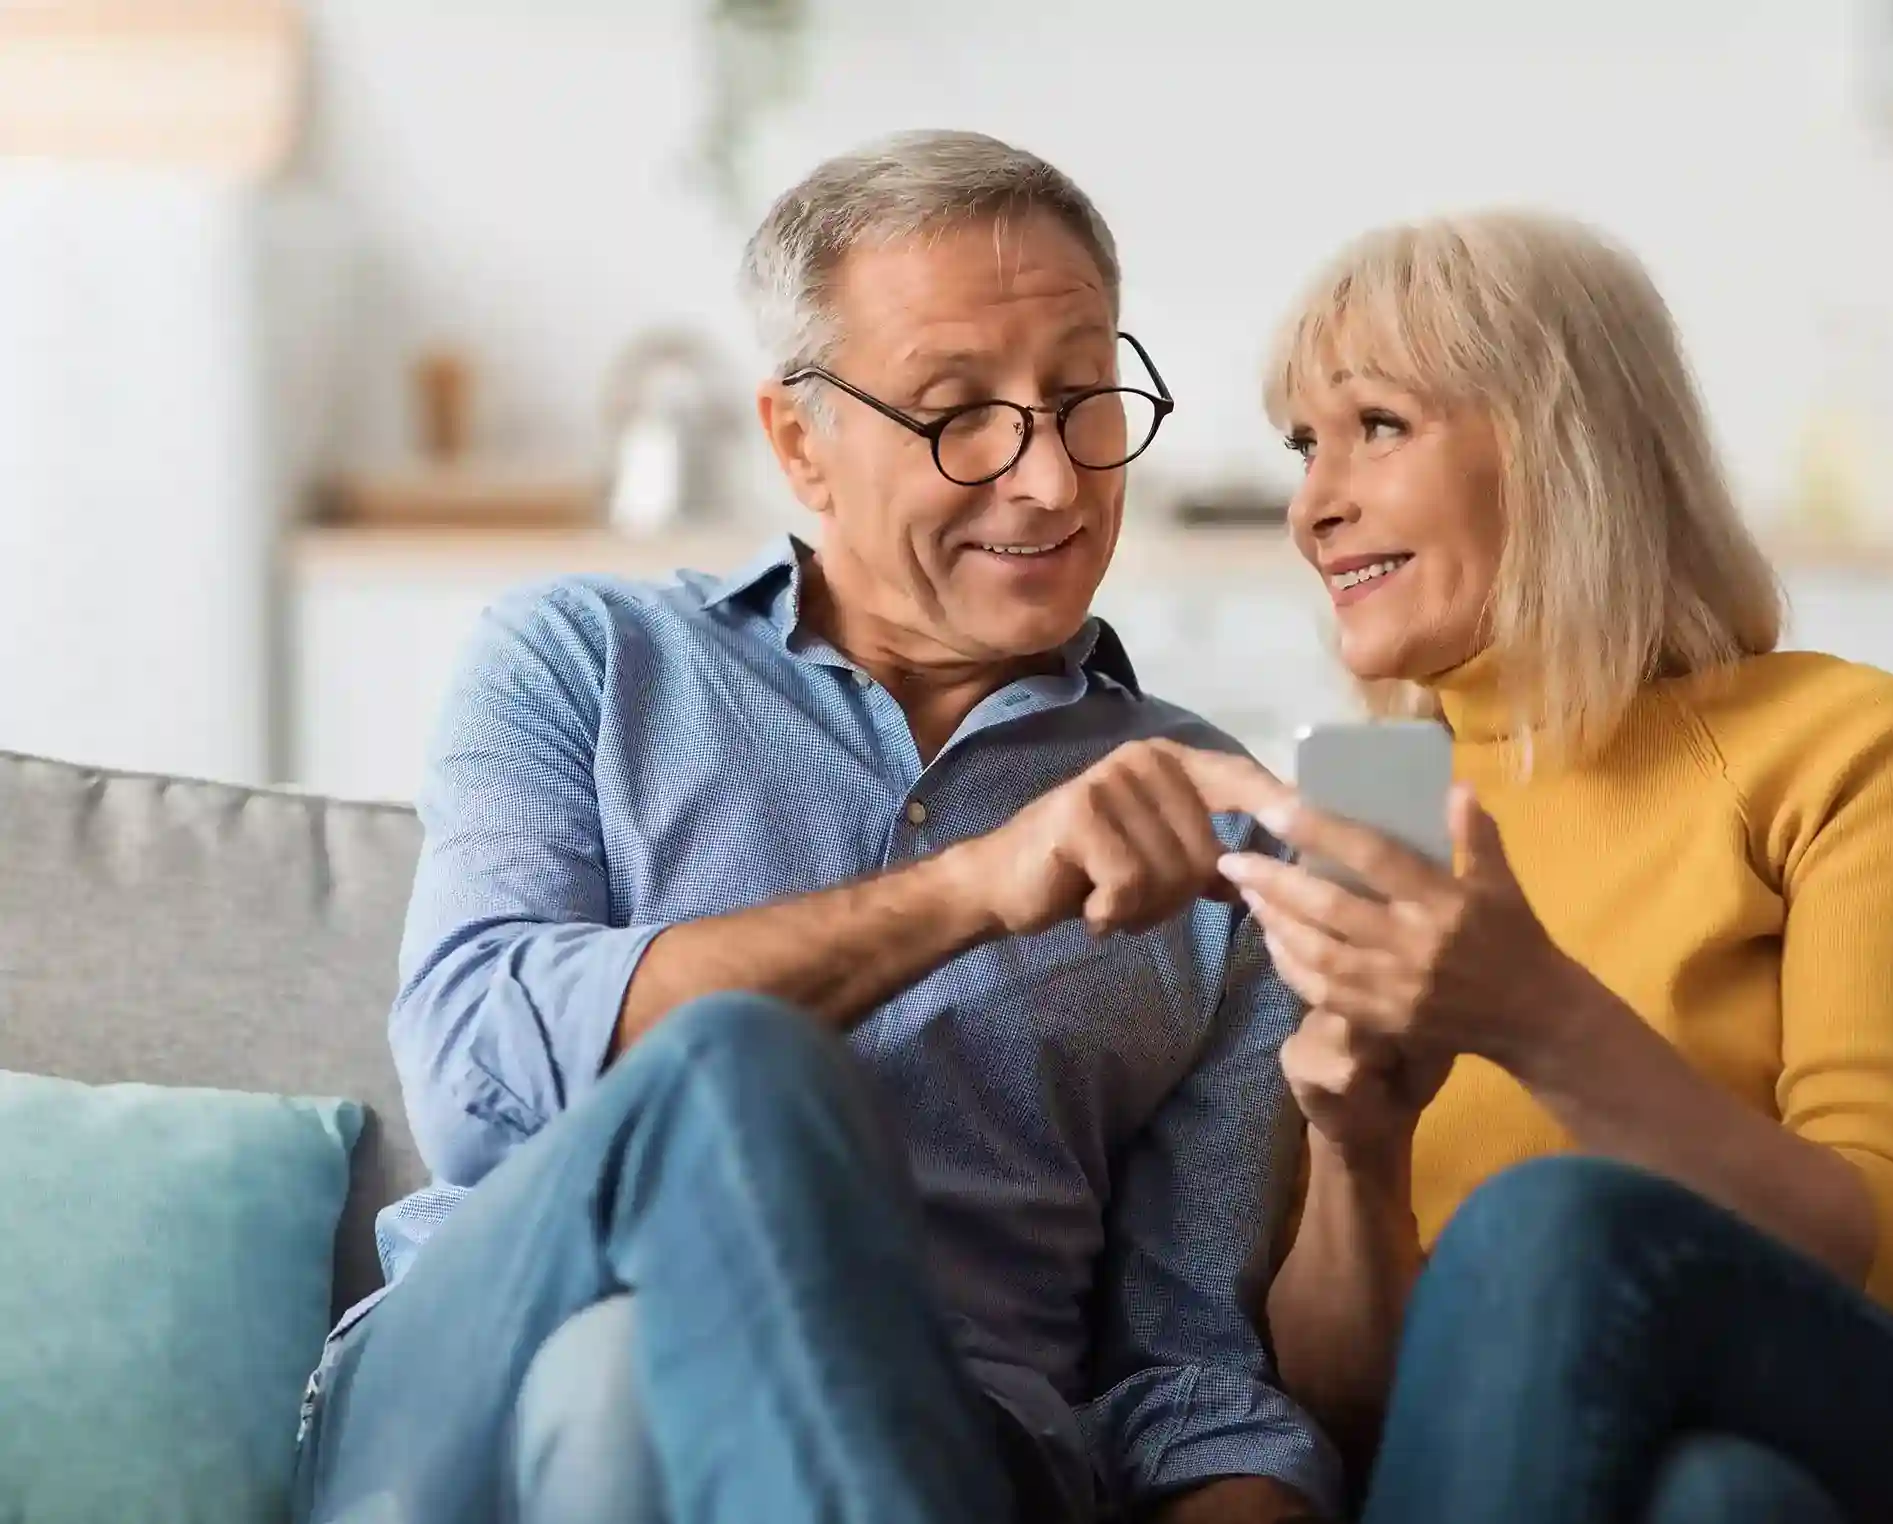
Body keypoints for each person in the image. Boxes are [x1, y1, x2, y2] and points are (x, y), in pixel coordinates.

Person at [290, 130, 1340, 1524]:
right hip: (466, 1385)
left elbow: (1187, 1368)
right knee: (729, 1067)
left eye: (1084, 397)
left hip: (945, 1432)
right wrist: (974, 889)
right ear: (801, 441)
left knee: (618, 1396)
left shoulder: (1221, 832)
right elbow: (478, 1060)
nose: (1049, 479)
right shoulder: (583, 662)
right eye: (957, 412)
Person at [1209, 211, 1893, 1523]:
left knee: (1548, 1224)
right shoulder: (1377, 815)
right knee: (1719, 1503)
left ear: (1562, 445)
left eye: (1377, 425)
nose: (1314, 503)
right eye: (1302, 445)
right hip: (1646, 1464)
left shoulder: (1836, 738)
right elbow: (1357, 1412)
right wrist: (1356, 1152)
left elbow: (1887, 1267)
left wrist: (1536, 1016)